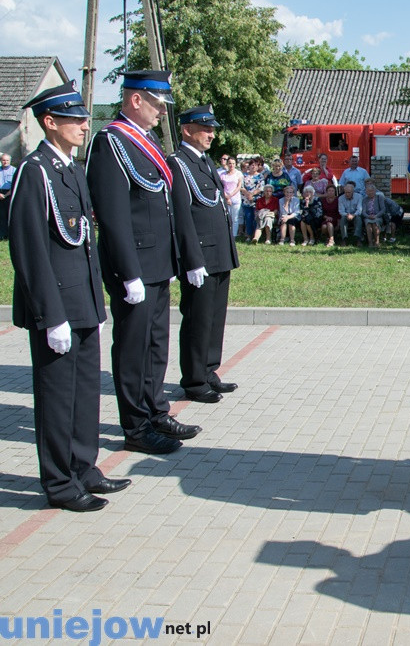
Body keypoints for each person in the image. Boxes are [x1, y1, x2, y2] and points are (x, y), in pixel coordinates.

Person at [9, 83, 130, 512]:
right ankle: (59, 482)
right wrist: (50, 315)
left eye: (84, 118)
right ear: (50, 123)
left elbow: (84, 242)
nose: (84, 125)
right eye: (75, 118)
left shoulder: (72, 170)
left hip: (82, 301)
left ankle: (84, 467)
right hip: (56, 307)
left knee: (84, 393)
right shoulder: (35, 171)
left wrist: (97, 304)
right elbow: (28, 250)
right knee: (57, 397)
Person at [86, 69, 200, 455]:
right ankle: (136, 426)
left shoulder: (144, 141)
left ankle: (155, 411)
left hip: (157, 262)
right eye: (155, 104)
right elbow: (114, 215)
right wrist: (128, 272)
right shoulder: (111, 143)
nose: (160, 113)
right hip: (134, 264)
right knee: (133, 349)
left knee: (155, 343)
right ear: (136, 100)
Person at [168, 105, 240, 405]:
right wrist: (191, 258)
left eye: (212, 129)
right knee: (197, 318)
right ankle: (194, 379)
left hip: (218, 252)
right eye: (205, 128)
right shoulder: (178, 163)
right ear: (187, 130)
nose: (212, 134)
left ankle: (209, 370)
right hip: (200, 254)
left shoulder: (204, 161)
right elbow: (182, 214)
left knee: (214, 317)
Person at [219, 156, 243, 239]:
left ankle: (234, 235)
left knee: (235, 218)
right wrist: (226, 197)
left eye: (233, 163)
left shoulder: (238, 173)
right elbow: (220, 186)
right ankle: (226, 234)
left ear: (235, 164)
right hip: (225, 198)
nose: (231, 165)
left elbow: (239, 186)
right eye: (230, 163)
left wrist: (230, 195)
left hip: (235, 198)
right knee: (226, 217)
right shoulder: (222, 174)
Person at [240, 158, 261, 239]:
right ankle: (248, 235)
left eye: (255, 165)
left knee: (256, 219)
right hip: (246, 200)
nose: (253, 167)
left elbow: (260, 188)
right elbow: (241, 187)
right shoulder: (244, 175)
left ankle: (255, 236)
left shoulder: (260, 176)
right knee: (248, 218)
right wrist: (248, 194)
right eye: (252, 165)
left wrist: (252, 194)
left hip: (256, 201)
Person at [337, 182, 364, 246]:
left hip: (355, 215)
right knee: (343, 219)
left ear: (353, 192)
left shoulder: (359, 197)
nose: (347, 194)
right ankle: (344, 239)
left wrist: (353, 215)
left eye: (349, 192)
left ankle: (358, 239)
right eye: (345, 192)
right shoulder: (341, 198)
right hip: (346, 215)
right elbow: (341, 211)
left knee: (358, 219)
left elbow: (359, 210)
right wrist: (347, 215)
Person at [362, 180, 386, 248]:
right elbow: (363, 212)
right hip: (368, 217)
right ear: (366, 192)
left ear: (375, 191)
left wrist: (376, 216)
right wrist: (368, 216)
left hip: (377, 216)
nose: (370, 193)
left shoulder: (379, 197)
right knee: (368, 224)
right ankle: (370, 243)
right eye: (368, 191)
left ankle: (377, 242)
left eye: (372, 191)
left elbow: (383, 209)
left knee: (375, 224)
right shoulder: (364, 199)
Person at [0, 152, 15, 240]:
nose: (5, 162)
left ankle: (10, 235)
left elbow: (14, 185)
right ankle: (2, 235)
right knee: (1, 216)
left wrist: (5, 195)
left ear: (10, 161)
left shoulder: (14, 170)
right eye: (3, 160)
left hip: (9, 194)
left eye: (7, 160)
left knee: (10, 215)